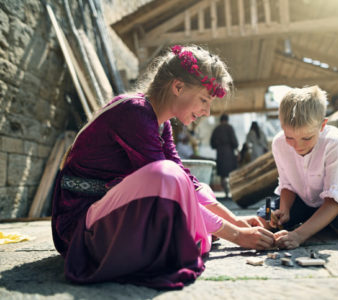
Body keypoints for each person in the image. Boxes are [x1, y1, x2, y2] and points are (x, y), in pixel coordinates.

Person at [52, 44, 275, 290]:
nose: (207, 111)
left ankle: (192, 233)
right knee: (167, 175)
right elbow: (166, 183)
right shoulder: (133, 112)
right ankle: (191, 234)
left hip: (108, 212)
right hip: (81, 228)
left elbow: (188, 183)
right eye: (203, 100)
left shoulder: (161, 123)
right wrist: (237, 236)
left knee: (198, 188)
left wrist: (237, 222)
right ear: (178, 87)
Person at [257, 85, 338, 249]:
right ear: (282, 126)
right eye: (290, 137)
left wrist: (299, 235)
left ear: (322, 126)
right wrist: (285, 209)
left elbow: (334, 199)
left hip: (337, 199)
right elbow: (287, 184)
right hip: (302, 199)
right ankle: (314, 222)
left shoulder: (335, 142)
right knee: (264, 216)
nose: (298, 146)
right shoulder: (279, 143)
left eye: (307, 138)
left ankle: (315, 224)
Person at [210, 114, 239, 199]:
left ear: (220, 120)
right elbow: (234, 142)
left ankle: (226, 193)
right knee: (231, 174)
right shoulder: (229, 128)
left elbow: (212, 144)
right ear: (227, 119)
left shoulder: (216, 129)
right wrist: (237, 151)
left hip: (220, 154)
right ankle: (233, 192)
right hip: (229, 153)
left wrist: (219, 146)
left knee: (223, 175)